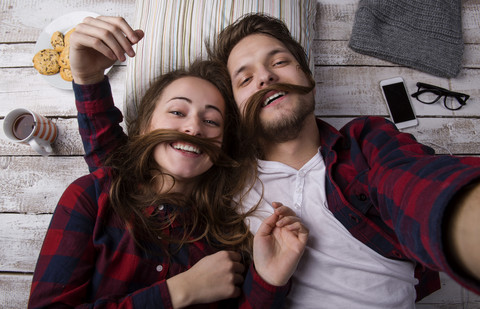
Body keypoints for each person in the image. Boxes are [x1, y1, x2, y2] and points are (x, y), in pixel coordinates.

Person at [70, 14, 480, 308]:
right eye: (245, 78)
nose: (265, 76)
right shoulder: (218, 184)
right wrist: (88, 78)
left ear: (305, 73)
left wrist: (463, 219)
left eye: (280, 61)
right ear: (235, 106)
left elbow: (416, 185)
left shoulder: (366, 145)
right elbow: (130, 173)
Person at [28, 16, 308, 308]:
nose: (194, 128)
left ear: (223, 144)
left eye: (211, 120)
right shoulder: (93, 197)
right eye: (177, 112)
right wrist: (178, 291)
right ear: (146, 125)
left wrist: (269, 279)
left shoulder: (230, 240)